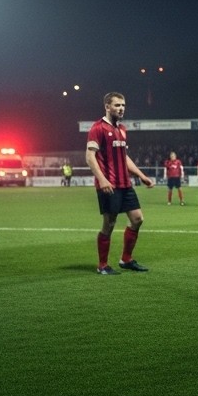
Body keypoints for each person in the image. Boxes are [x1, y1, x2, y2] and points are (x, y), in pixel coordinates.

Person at [85, 92, 155, 275]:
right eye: (117, 105)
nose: (121, 108)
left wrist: (141, 175)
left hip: (125, 184)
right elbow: (89, 156)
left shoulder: (122, 129)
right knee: (109, 224)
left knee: (137, 219)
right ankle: (102, 265)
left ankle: (126, 259)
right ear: (107, 107)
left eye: (123, 105)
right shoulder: (97, 128)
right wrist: (102, 179)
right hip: (109, 185)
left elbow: (124, 157)